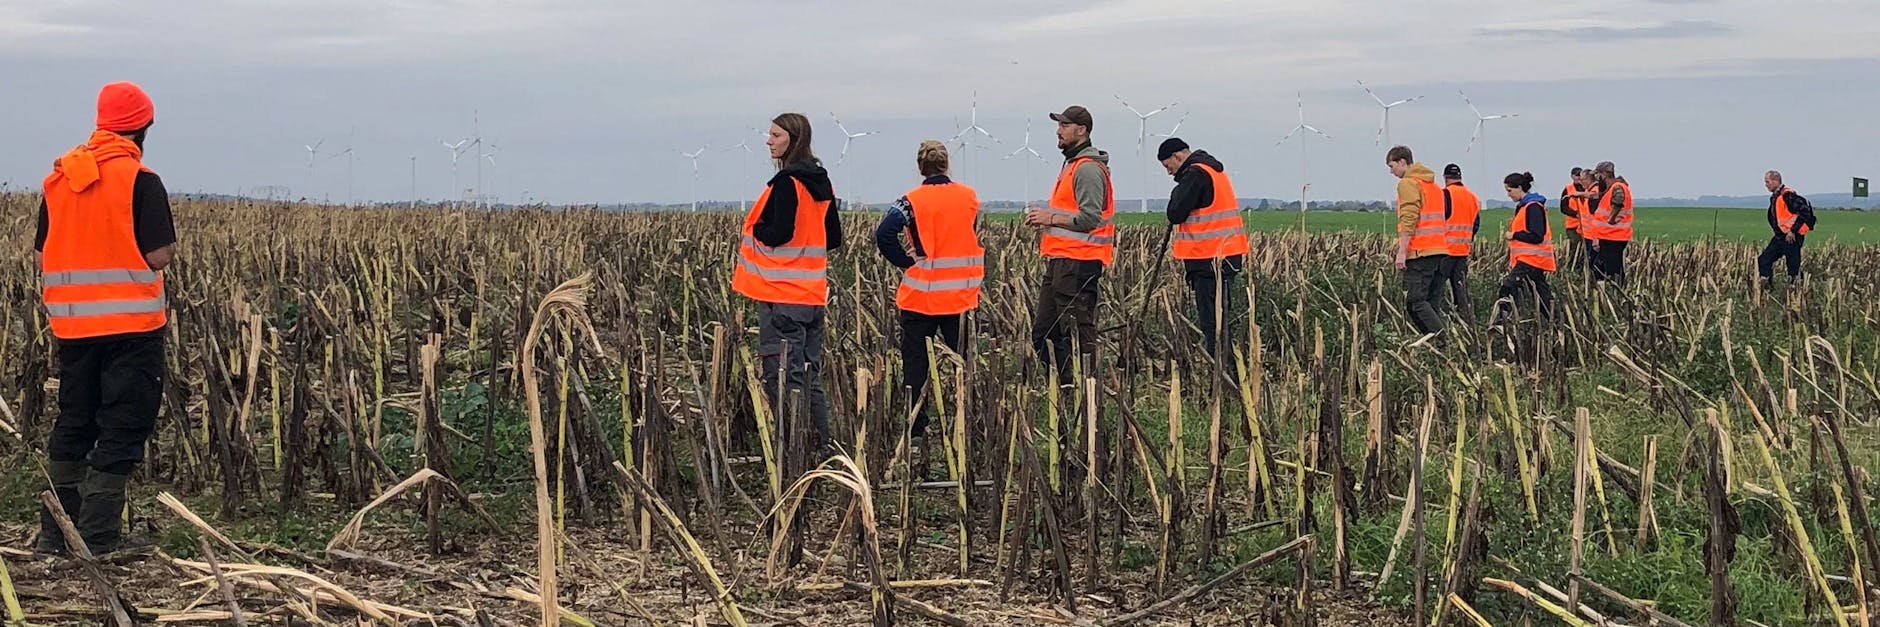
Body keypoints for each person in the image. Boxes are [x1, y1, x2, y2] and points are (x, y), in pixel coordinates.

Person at [33, 81, 176, 556]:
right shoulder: (141, 181)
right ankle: (98, 536)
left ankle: (56, 534)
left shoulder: (60, 179)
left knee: (73, 421)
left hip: (74, 328)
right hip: (132, 329)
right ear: (142, 128)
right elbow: (158, 256)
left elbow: (42, 256)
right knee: (122, 425)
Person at [733, 112, 843, 453]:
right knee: (809, 376)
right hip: (812, 297)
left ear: (793, 140)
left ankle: (793, 448)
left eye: (776, 135)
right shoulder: (821, 183)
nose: (769, 141)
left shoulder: (786, 183)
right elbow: (833, 237)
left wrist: (757, 229)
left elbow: (779, 232)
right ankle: (821, 446)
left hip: (781, 298)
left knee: (782, 377)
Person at [875, 140, 983, 438]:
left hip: (921, 297)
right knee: (964, 362)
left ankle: (916, 427)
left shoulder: (910, 201)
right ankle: (967, 422)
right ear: (947, 164)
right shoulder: (969, 197)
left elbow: (884, 233)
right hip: (961, 296)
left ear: (920, 167)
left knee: (916, 365)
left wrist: (905, 261)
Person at [1024, 106, 1114, 380]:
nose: (1058, 131)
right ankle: (1067, 388)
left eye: (1064, 125)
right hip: (1061, 262)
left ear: (1081, 130)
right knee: (1044, 335)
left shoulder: (1087, 170)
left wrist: (1049, 217)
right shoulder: (1073, 166)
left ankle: (1089, 392)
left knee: (1079, 335)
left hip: (1078, 264)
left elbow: (1090, 218)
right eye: (1059, 125)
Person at [1158, 137, 1248, 360]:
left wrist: (1177, 192)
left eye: (1168, 166)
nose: (1169, 172)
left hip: (1209, 260)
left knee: (1212, 323)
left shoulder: (1195, 174)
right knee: (1220, 318)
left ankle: (1220, 369)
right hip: (1226, 256)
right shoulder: (1214, 170)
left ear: (1178, 156)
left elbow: (1175, 212)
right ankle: (1225, 367)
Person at [1386, 146, 1449, 337]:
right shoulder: (1433, 186)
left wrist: (1402, 251)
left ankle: (1441, 340)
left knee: (1415, 302)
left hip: (1420, 251)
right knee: (1430, 302)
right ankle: (1436, 342)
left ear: (1402, 162)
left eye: (1392, 166)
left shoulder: (1408, 184)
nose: (1391, 172)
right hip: (1438, 250)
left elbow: (1409, 218)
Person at [1496, 172, 1555, 321]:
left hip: (1531, 259)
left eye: (1510, 190)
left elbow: (1537, 235)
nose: (1508, 194)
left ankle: (1502, 322)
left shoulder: (1532, 207)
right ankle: (1555, 321)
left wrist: (1514, 235)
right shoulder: (1526, 206)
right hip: (1531, 259)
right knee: (1542, 294)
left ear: (1519, 188)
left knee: (1508, 288)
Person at [1757, 170, 1816, 286]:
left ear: (1775, 181)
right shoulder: (1776, 196)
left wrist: (1792, 231)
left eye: (1767, 182)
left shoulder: (1788, 195)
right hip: (1780, 237)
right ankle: (1767, 289)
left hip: (1792, 238)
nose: (1766, 185)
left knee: (1793, 269)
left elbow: (1805, 212)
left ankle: (1797, 291)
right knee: (1763, 261)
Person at [1440, 163, 1481, 324]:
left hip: (1445, 251)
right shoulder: (1472, 197)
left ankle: (1441, 321)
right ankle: (1466, 322)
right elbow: (1475, 224)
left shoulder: (1444, 194)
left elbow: (1439, 220)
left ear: (1445, 178)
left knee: (1436, 289)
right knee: (1461, 290)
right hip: (1463, 251)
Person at [1583, 161, 1633, 284]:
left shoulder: (1617, 187)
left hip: (1614, 236)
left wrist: (1611, 218)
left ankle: (1615, 290)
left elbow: (1618, 201)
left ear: (1604, 175)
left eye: (1598, 175)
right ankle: (1609, 289)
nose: (1597, 178)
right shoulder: (1611, 189)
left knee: (1612, 269)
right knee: (1603, 267)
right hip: (1610, 236)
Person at [1558, 167, 1590, 272]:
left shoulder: (1587, 189)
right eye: (1576, 175)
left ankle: (1583, 269)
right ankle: (1572, 268)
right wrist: (1576, 214)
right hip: (1573, 225)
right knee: (1575, 247)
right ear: (1572, 176)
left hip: (1586, 225)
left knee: (1586, 249)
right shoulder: (1568, 189)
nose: (1578, 177)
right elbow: (1563, 207)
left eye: (1580, 175)